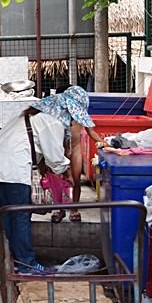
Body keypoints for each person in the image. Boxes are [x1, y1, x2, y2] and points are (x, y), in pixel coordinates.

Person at [0, 88, 95, 273]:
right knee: (20, 215)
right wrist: (67, 174)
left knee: (7, 213)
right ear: (68, 109)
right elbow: (55, 158)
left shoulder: (37, 113)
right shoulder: (51, 121)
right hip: (12, 165)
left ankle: (11, 258)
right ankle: (27, 264)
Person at [32, 85, 109, 223]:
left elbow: (91, 131)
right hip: (60, 150)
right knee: (56, 179)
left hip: (75, 150)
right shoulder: (57, 113)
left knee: (76, 180)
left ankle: (74, 209)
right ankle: (58, 207)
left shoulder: (79, 113)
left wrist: (105, 143)